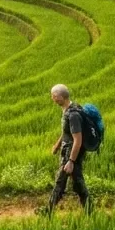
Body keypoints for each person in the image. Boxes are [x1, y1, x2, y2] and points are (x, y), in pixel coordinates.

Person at [46, 84, 92, 214]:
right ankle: (90, 211)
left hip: (71, 153)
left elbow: (78, 140)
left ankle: (48, 211)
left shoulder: (73, 115)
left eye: (54, 96)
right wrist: (57, 145)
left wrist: (71, 161)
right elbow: (67, 132)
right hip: (68, 152)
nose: (52, 98)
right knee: (77, 183)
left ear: (61, 97)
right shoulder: (68, 110)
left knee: (60, 182)